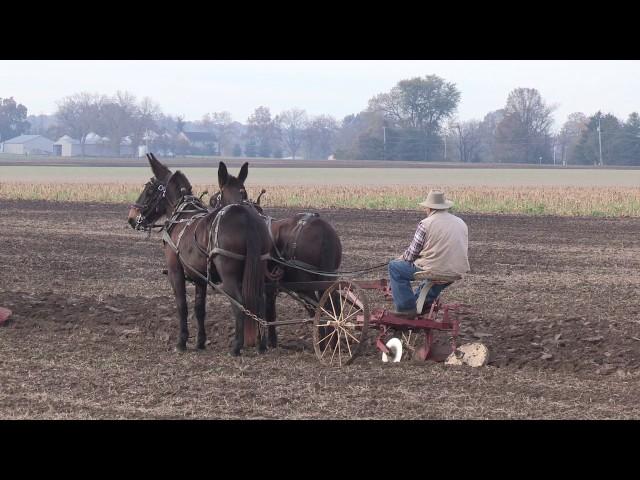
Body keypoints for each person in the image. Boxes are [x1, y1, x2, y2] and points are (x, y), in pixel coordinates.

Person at [388, 190, 470, 316]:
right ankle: (422, 304)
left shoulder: (426, 224)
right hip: (456, 270)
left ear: (430, 208)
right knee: (433, 279)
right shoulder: (461, 222)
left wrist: (401, 259)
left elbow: (411, 255)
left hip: (434, 269)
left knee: (394, 267)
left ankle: (406, 310)